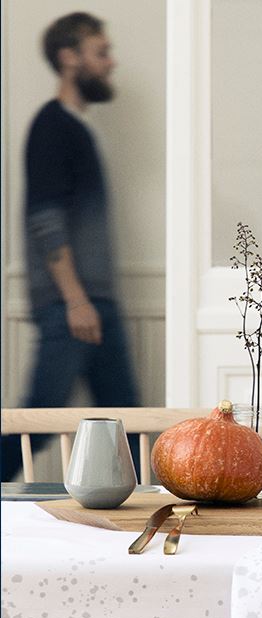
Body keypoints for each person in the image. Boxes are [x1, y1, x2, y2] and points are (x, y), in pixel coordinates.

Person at [1, 12, 140, 482]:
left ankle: (138, 527)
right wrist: (76, 299)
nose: (110, 62)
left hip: (92, 302)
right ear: (69, 58)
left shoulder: (76, 127)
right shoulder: (53, 126)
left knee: (128, 428)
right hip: (73, 305)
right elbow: (45, 220)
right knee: (36, 424)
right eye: (100, 52)